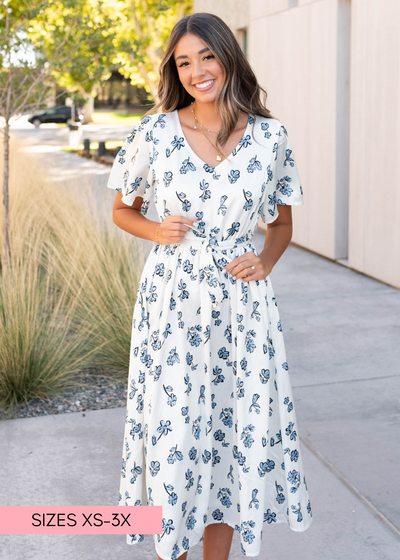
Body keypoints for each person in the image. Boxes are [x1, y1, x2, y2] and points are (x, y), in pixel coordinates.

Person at [106, 11, 313, 560]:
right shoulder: (155, 132)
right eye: (184, 61)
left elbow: (283, 223)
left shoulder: (271, 137)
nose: (197, 70)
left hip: (242, 310)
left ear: (228, 57)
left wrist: (265, 260)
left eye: (207, 56)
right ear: (175, 71)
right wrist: (156, 229)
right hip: (172, 304)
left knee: (230, 441)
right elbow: (121, 211)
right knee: (176, 440)